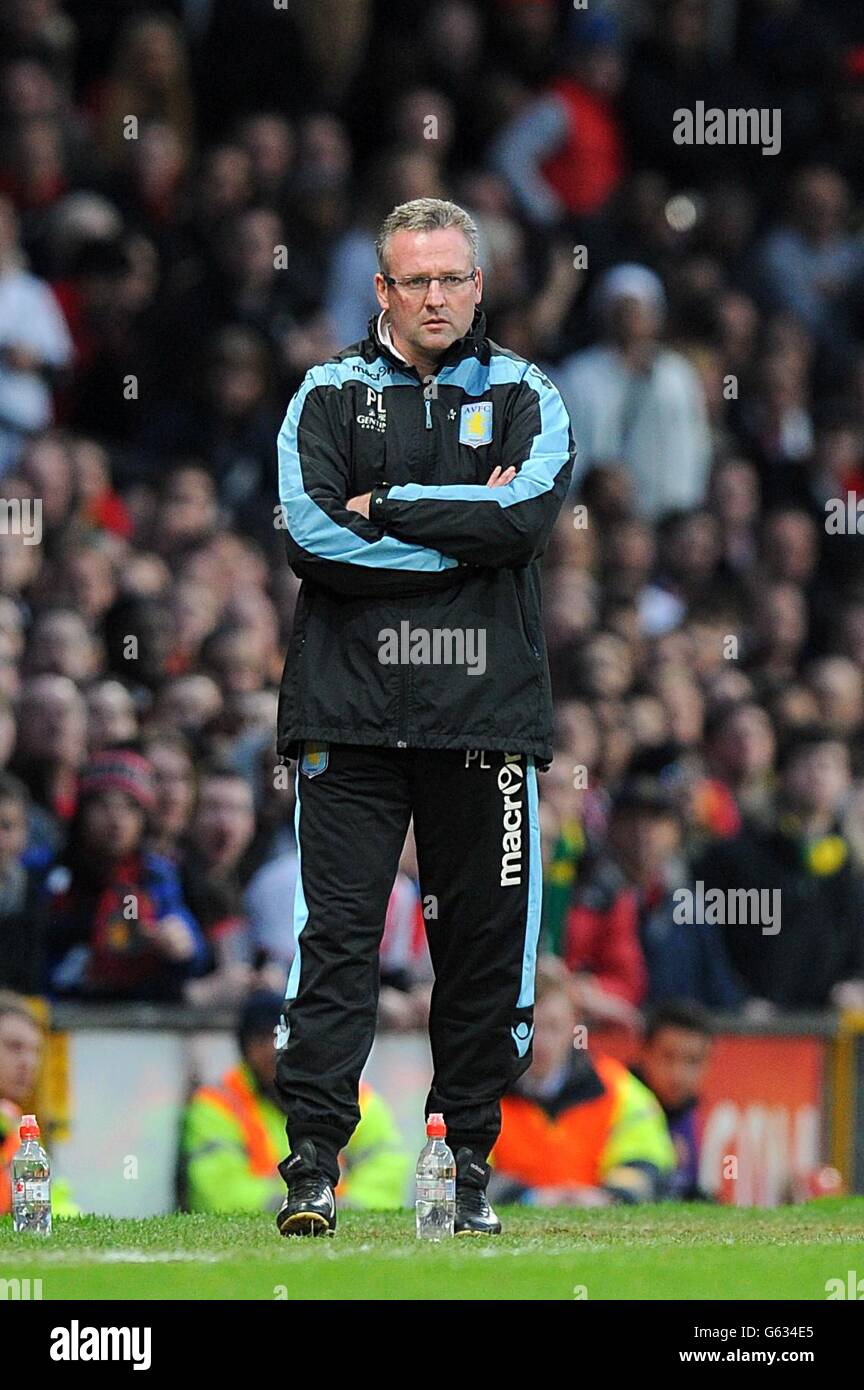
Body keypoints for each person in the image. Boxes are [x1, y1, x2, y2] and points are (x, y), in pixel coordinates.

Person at [274, 197, 574, 1236]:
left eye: (452, 278)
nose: (435, 297)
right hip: (349, 719)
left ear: (479, 284)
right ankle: (313, 1165)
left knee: (487, 955)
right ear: (382, 290)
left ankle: (466, 1171)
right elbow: (312, 536)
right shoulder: (325, 393)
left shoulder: (531, 394)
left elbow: (528, 515)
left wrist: (390, 505)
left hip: (485, 718)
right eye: (415, 280)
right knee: (339, 945)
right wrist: (465, 530)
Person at [181, 991, 409, 1214]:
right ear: (244, 1048)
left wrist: (340, 1208)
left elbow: (388, 1169)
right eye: (260, 1039)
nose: (272, 1049)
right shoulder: (218, 1104)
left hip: (332, 1216)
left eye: (282, 1037)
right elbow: (218, 1191)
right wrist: (300, 1207)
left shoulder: (354, 1097)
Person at [488, 960, 675, 1206]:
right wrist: (526, 1197)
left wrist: (610, 1196)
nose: (541, 1041)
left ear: (574, 1023)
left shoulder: (616, 1088)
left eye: (553, 1026)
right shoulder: (485, 1091)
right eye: (529, 1027)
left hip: (600, 1215)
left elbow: (648, 1160)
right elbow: (466, 1169)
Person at [0, 991, 76, 1216]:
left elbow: (53, 1211)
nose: (28, 1063)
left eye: (35, 1051)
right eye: (14, 1047)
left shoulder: (19, 1127)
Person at [633, 1000, 715, 1200]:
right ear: (645, 1053)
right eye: (668, 1057)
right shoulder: (615, 1102)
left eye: (692, 1061)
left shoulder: (692, 1113)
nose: (678, 1075)